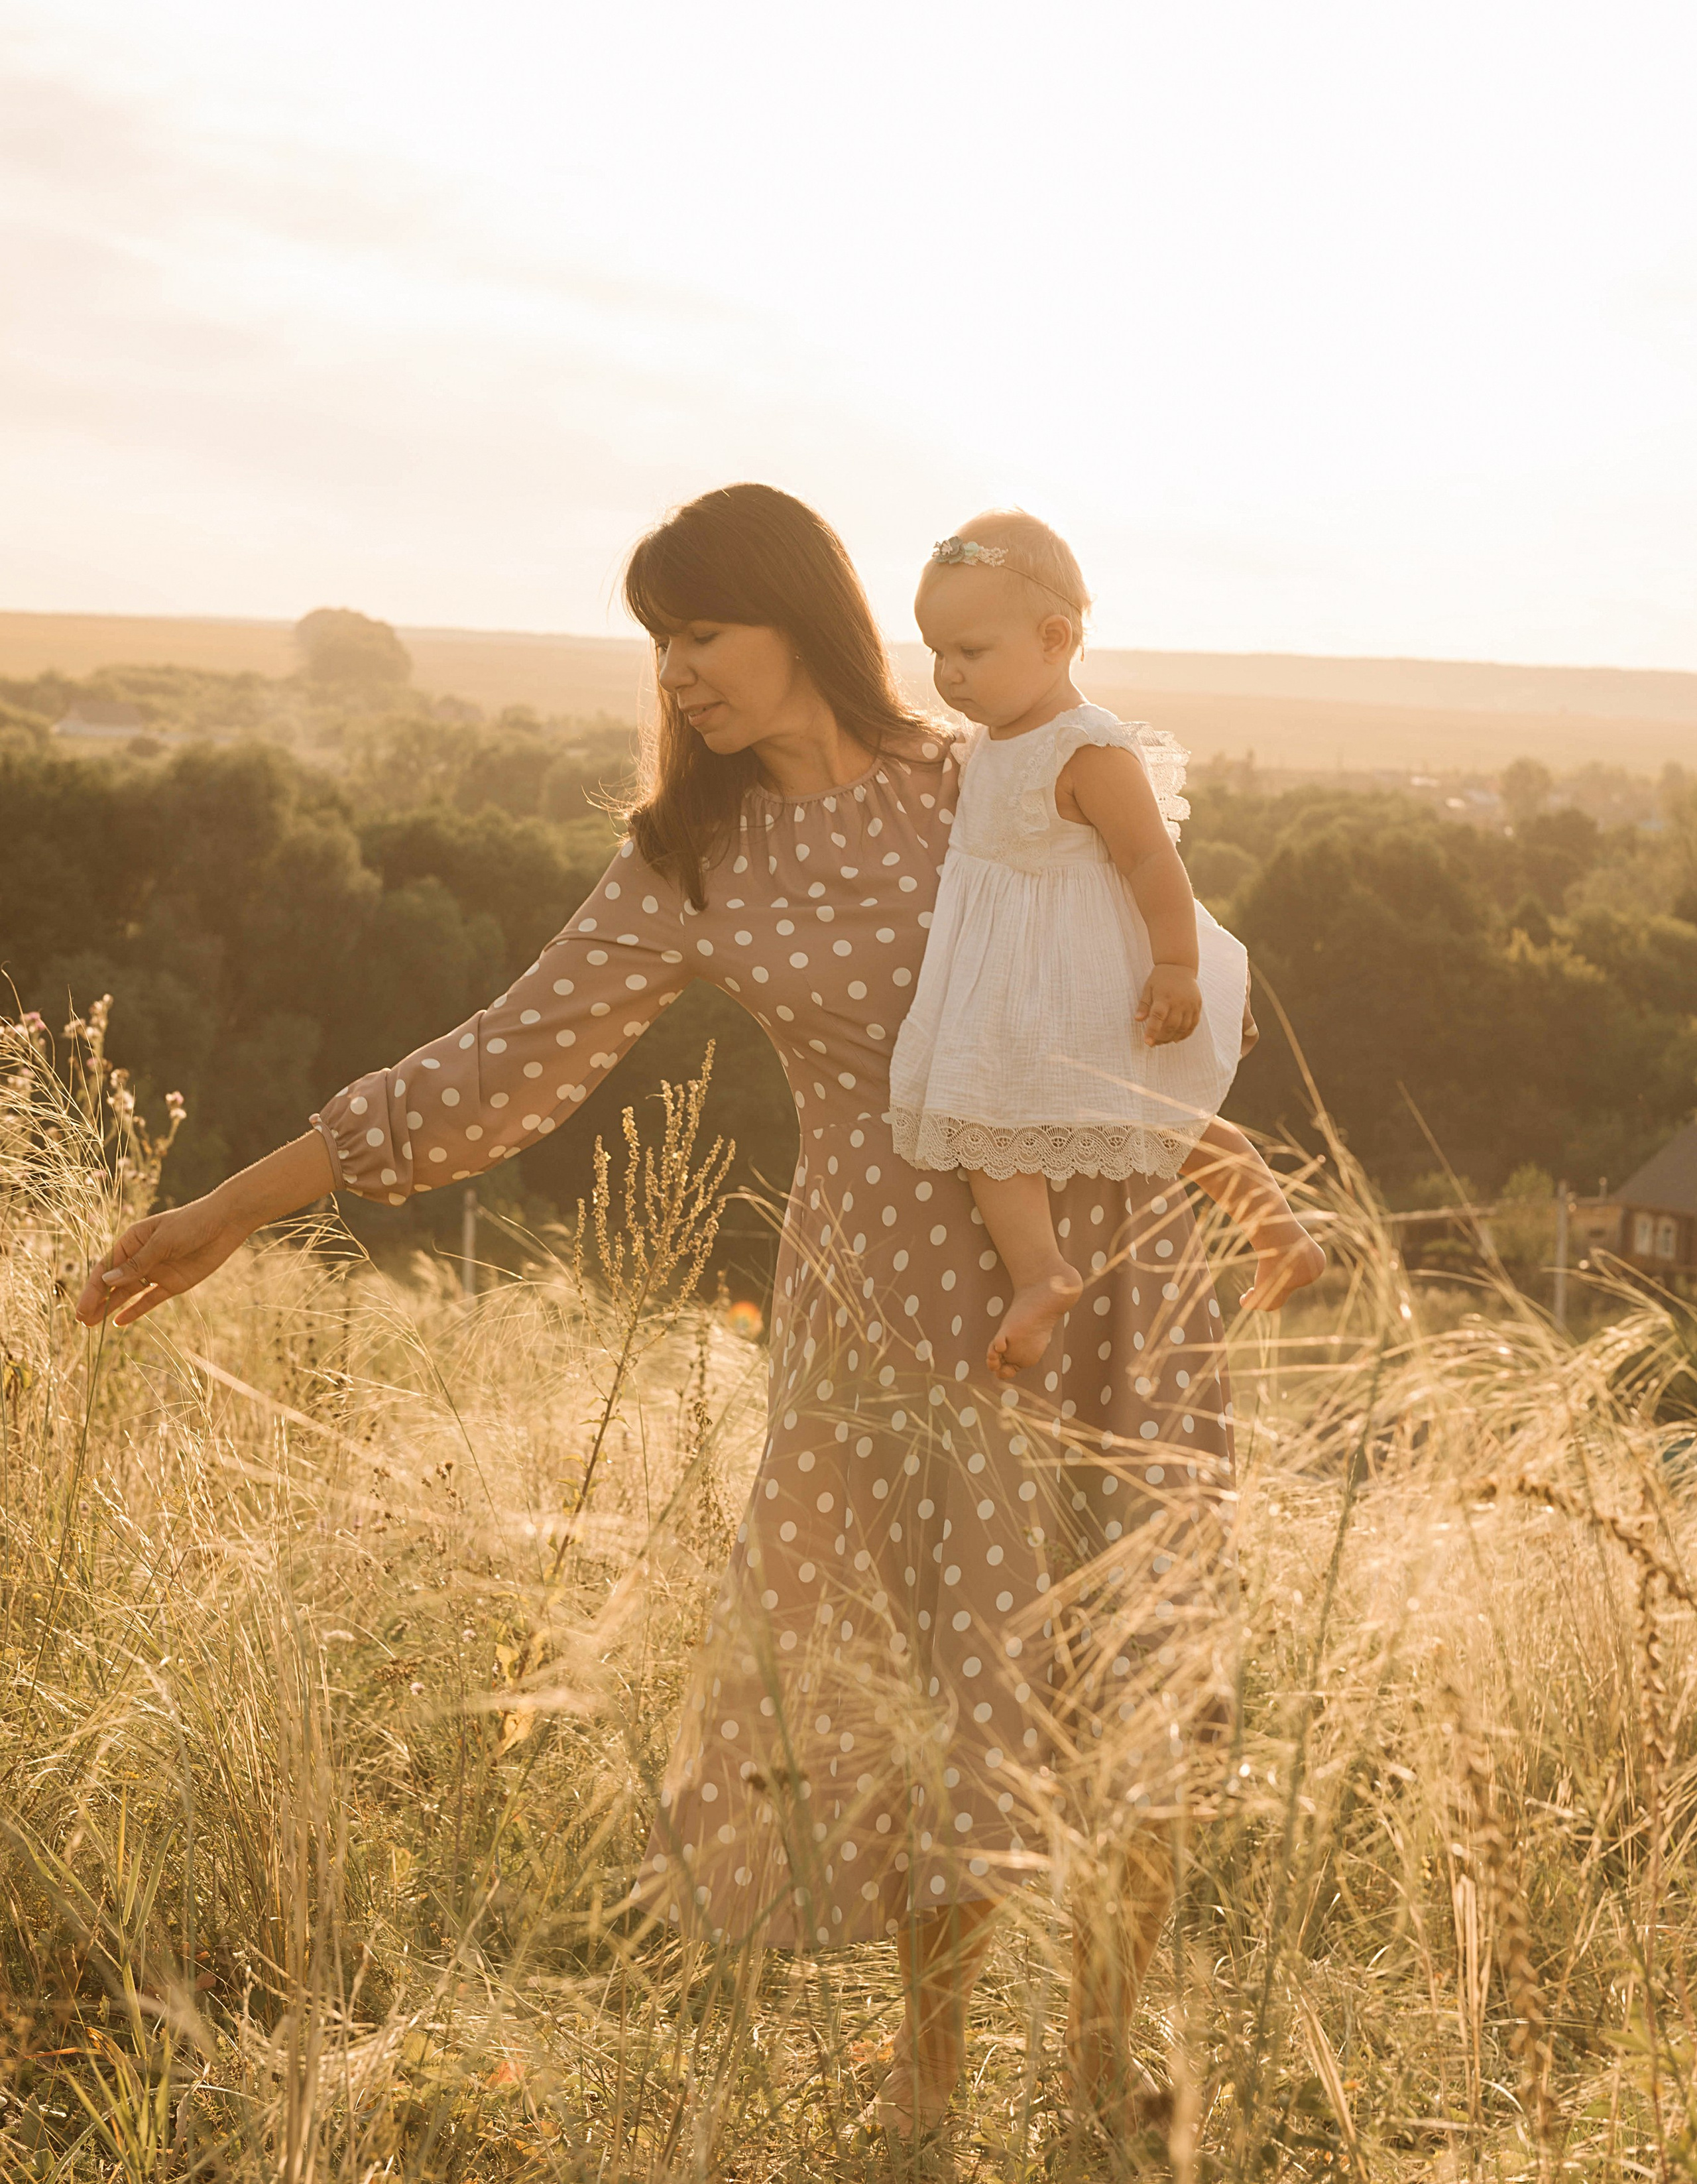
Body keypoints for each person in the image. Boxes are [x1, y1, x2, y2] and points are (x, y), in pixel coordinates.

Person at [77, 483, 1315, 2146]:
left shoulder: (984, 776)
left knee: (1118, 1657)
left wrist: (1229, 1166)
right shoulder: (691, 859)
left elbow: (1117, 993)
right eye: (657, 645)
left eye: (701, 632)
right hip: (888, 1304)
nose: (676, 674)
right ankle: (928, 2091)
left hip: (1097, 1262)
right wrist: (229, 1208)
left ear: (797, 618)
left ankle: (1099, 2078)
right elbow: (498, 1062)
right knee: (929, 1681)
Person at [889, 511, 1323, 1380]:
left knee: (1152, 1115)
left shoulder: (1086, 746)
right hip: (1009, 977)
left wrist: (1176, 965)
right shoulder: (990, 739)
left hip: (1089, 973)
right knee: (981, 1115)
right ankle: (1043, 1271)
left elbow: (1150, 860)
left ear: (1056, 639)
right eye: (936, 652)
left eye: (970, 652)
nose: (947, 674)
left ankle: (1273, 1228)